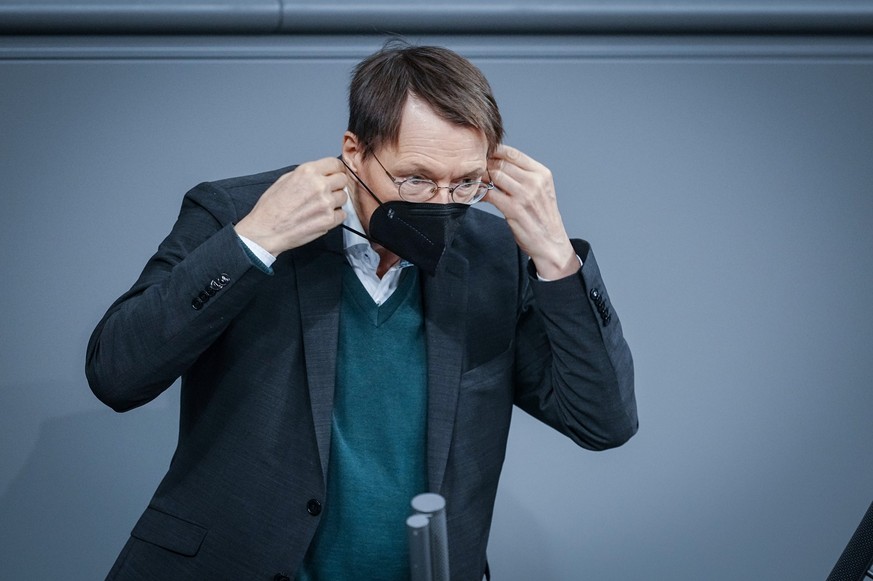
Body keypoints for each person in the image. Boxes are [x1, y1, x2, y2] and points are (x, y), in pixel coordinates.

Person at [86, 41, 637, 581]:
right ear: (354, 152)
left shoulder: (498, 255)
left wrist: (557, 259)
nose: (443, 204)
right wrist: (254, 242)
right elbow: (117, 374)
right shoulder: (239, 213)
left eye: (466, 182)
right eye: (416, 178)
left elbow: (603, 422)